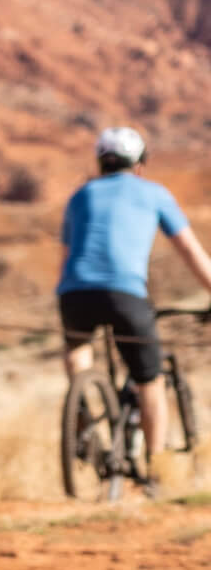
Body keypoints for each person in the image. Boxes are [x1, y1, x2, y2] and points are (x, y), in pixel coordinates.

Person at [58, 125, 211, 495]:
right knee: (150, 380)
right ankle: (154, 472)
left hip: (74, 293)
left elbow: (65, 256)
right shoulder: (154, 193)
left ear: (101, 162)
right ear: (140, 165)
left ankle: (84, 419)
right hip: (125, 294)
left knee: (78, 355)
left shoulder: (80, 196)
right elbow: (189, 250)